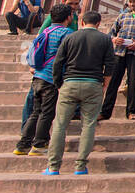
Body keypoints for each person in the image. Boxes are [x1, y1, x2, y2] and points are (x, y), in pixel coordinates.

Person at [44, 10, 116, 177]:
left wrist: (59, 83)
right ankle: (80, 166)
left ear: (82, 22)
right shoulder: (105, 39)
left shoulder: (70, 37)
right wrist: (105, 84)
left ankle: (53, 166)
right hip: (93, 84)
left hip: (70, 82)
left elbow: (58, 63)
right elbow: (110, 64)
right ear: (98, 23)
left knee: (60, 125)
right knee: (89, 125)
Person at [16, 3, 74, 155]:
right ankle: (40, 144)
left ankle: (23, 145)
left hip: (38, 76)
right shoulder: (67, 33)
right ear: (69, 17)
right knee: (46, 113)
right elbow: (67, 56)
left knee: (36, 112)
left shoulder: (45, 31)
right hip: (51, 77)